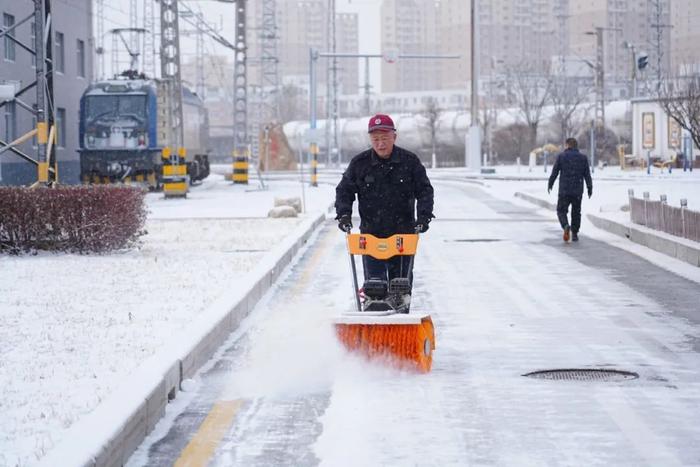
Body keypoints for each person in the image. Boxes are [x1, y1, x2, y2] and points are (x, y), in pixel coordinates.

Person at [335, 113, 434, 305]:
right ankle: (374, 325)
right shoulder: (360, 163)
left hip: (403, 235)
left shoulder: (409, 162)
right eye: (376, 139)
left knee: (400, 289)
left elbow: (424, 190)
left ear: (394, 137)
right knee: (375, 288)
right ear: (371, 140)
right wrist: (344, 215)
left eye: (385, 138)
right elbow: (344, 190)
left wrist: (424, 217)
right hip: (371, 235)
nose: (381, 144)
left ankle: (400, 324)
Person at [548, 137, 593, 242]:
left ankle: (565, 226)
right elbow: (587, 174)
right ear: (576, 146)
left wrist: (550, 183)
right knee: (576, 212)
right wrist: (589, 187)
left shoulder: (561, 157)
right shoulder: (583, 158)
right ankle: (575, 233)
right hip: (577, 190)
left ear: (567, 145)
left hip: (564, 190)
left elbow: (555, 172)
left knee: (561, 211)